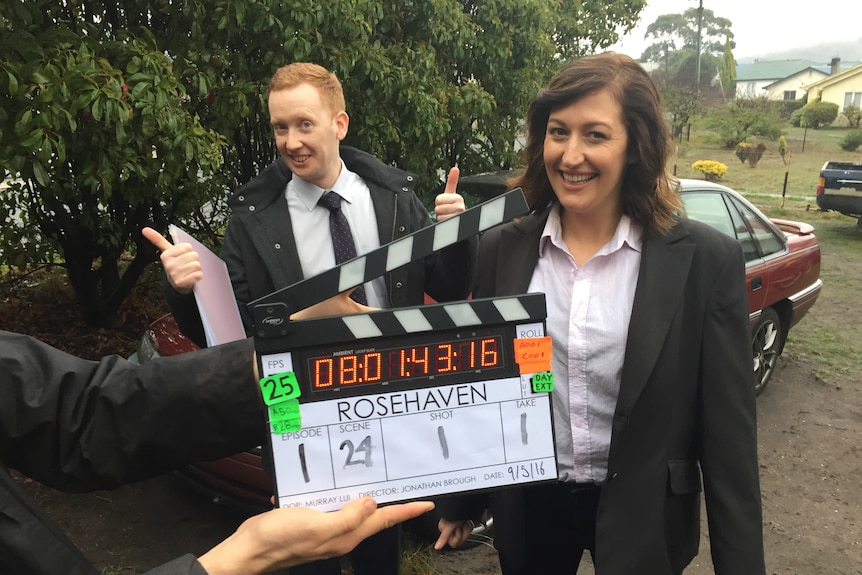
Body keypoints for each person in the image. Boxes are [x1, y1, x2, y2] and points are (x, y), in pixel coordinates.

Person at [435, 52, 766, 574]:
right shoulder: (503, 248)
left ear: (636, 145)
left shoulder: (704, 260)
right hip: (534, 504)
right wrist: (461, 501)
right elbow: (487, 383)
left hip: (647, 509)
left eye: (595, 135)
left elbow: (729, 438)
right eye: (558, 132)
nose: (570, 155)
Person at [144, 62, 474, 575]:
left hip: (387, 402)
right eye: (280, 127)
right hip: (300, 414)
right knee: (305, 562)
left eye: (304, 124)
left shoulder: (393, 198)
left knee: (378, 554)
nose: (291, 141)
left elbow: (448, 287)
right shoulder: (253, 219)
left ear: (338, 124)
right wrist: (183, 289)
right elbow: (227, 327)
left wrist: (457, 234)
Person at [0, 326, 435, 575]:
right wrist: (240, 557)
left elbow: (84, 414)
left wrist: (269, 363)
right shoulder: (253, 211)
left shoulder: (392, 195)